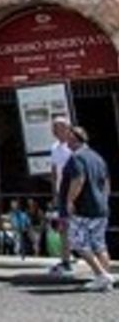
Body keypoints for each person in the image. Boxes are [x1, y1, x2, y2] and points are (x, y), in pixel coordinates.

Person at [62, 125, 115, 292]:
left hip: (84, 207)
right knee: (99, 245)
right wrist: (104, 200)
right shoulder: (97, 157)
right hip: (101, 207)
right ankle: (106, 278)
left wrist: (70, 201)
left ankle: (101, 275)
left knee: (77, 242)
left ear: (74, 140)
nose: (66, 143)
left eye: (68, 139)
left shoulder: (77, 157)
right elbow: (106, 182)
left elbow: (78, 179)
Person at [48, 116, 76, 276]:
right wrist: (54, 192)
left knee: (77, 226)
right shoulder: (54, 147)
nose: (54, 131)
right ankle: (66, 259)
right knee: (63, 227)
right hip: (61, 192)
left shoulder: (73, 147)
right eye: (53, 128)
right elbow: (54, 170)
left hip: (73, 191)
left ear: (67, 129)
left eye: (58, 127)